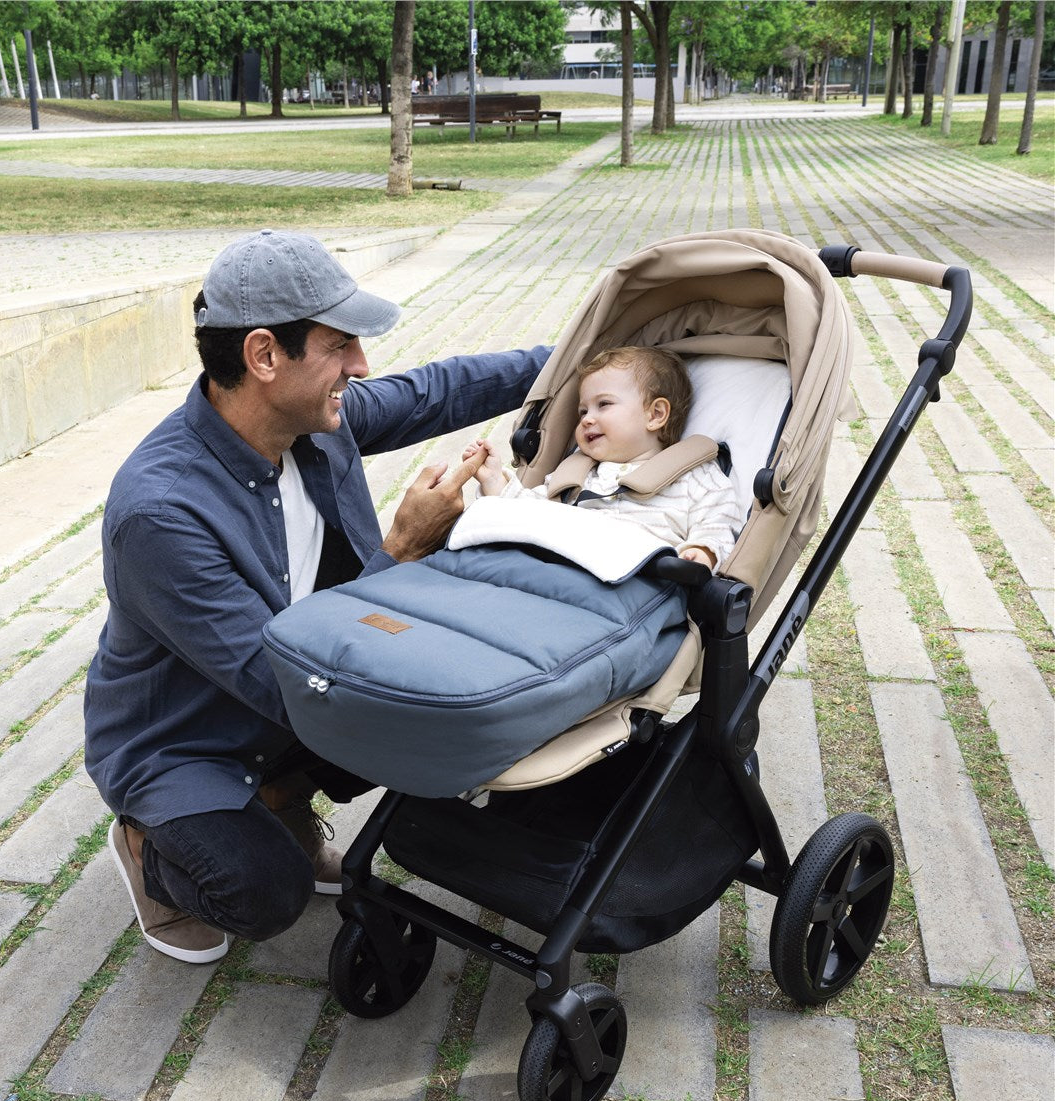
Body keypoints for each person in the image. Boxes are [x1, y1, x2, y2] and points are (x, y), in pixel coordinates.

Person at [84, 229, 548, 964]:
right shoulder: (160, 514)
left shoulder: (314, 422)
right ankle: (151, 847)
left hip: (284, 705)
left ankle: (278, 795)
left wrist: (589, 358)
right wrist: (401, 551)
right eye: (339, 347)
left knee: (415, 732)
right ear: (264, 356)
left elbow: (442, 388)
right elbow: (292, 682)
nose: (360, 368)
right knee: (267, 894)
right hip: (189, 741)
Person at [464, 345, 742, 572]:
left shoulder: (696, 476)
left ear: (655, 414)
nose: (587, 420)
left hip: (635, 580)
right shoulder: (577, 474)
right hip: (556, 569)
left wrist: (703, 551)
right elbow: (534, 513)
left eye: (604, 404)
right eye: (583, 411)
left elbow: (718, 522)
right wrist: (495, 482)